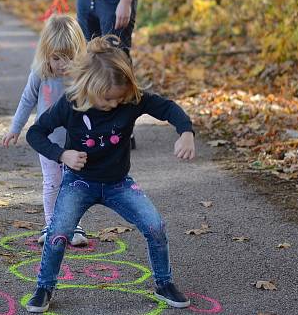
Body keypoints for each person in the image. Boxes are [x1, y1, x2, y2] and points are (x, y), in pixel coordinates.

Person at [23, 35, 195, 312]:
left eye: (119, 99)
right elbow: (35, 133)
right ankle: (44, 286)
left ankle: (164, 282)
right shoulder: (72, 103)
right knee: (58, 233)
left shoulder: (130, 100)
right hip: (79, 182)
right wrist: (61, 154)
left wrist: (185, 132)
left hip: (118, 183)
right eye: (107, 99)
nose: (114, 105)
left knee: (155, 226)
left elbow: (168, 108)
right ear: (90, 86)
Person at [2, 14, 88, 246]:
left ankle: (73, 226)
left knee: (73, 185)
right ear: (46, 55)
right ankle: (51, 225)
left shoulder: (81, 77)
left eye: (69, 58)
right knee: (52, 182)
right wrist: (16, 127)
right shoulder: (41, 74)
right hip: (48, 142)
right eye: (56, 58)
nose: (62, 64)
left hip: (75, 142)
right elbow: (27, 99)